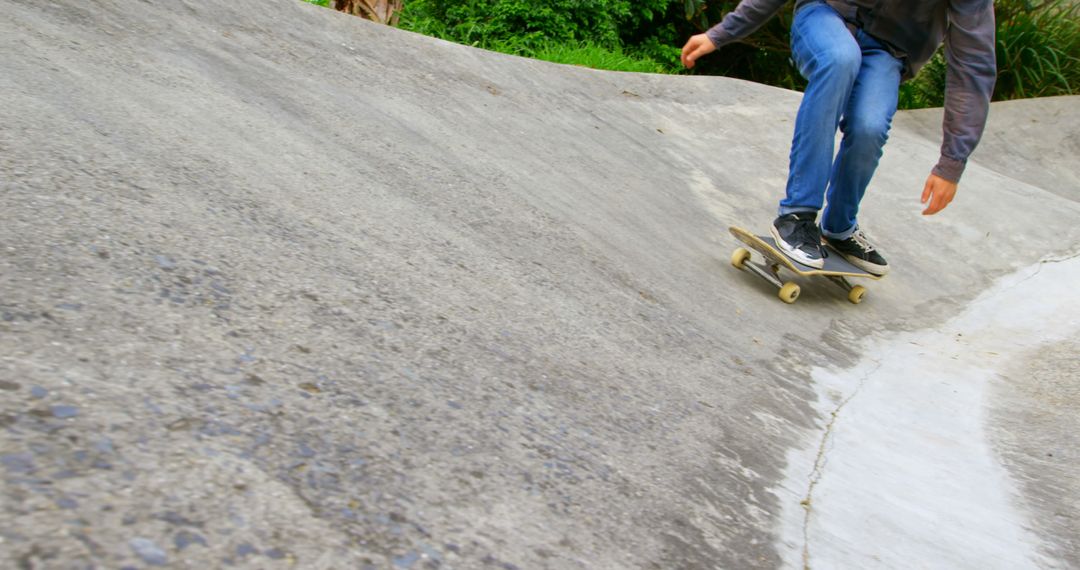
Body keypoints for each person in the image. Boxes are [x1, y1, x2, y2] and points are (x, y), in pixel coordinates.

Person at [681, 0, 996, 274]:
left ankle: (840, 227)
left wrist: (952, 162)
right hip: (824, 16)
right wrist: (722, 33)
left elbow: (973, 64)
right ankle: (796, 215)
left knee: (870, 126)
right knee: (840, 59)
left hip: (888, 50)